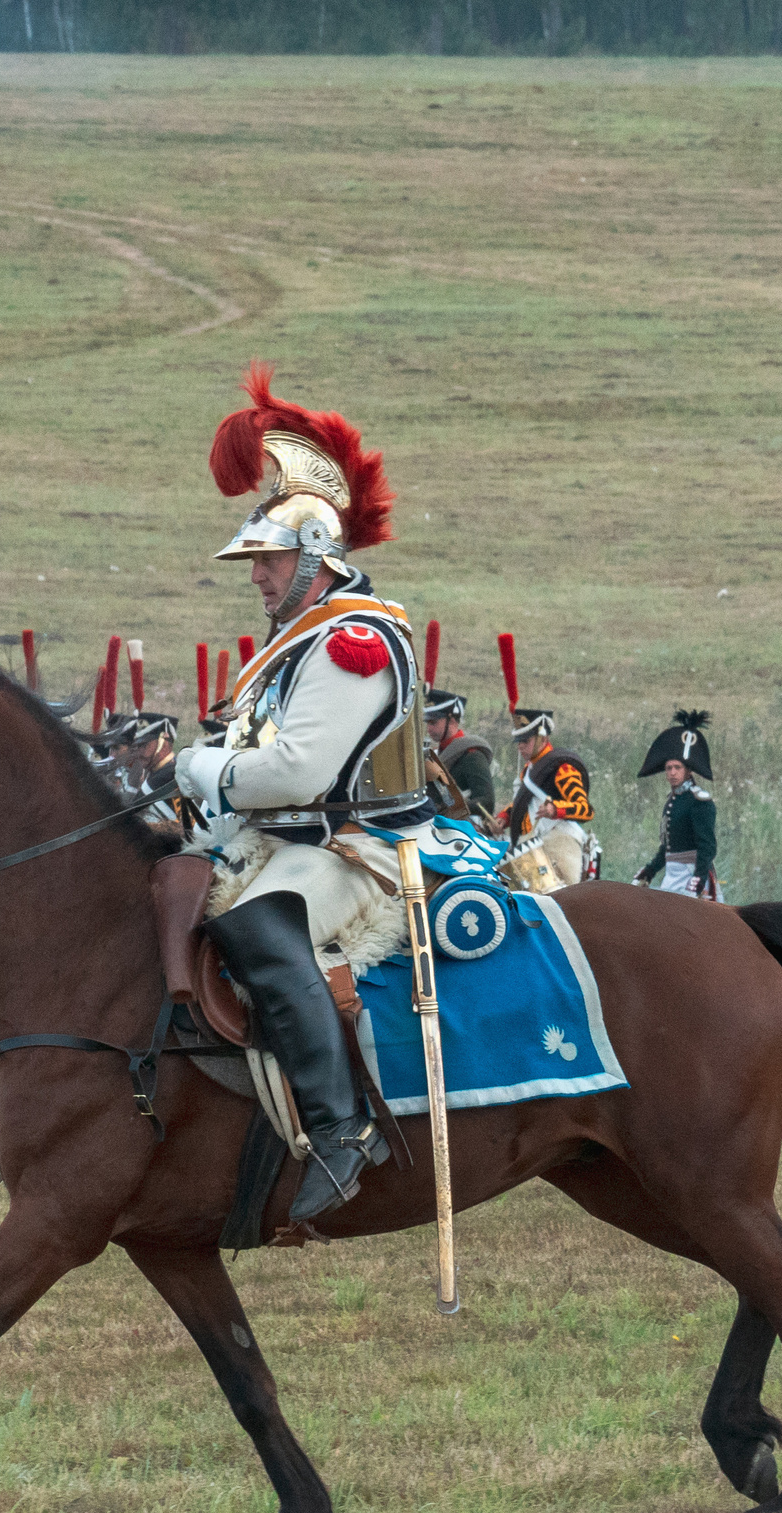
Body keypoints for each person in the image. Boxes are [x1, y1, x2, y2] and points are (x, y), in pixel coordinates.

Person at [169, 363, 416, 1218]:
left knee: (258, 924)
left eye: (268, 560)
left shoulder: (354, 642)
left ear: (314, 557)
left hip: (359, 847)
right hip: (293, 838)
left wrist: (209, 771)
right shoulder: (297, 642)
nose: (256, 577)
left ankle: (344, 1126)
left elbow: (299, 772)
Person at [502, 706, 600, 885]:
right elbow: (524, 805)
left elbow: (586, 809)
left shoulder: (562, 769)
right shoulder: (528, 771)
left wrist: (555, 809)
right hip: (534, 849)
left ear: (543, 737)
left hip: (561, 844)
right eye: (519, 741)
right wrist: (505, 817)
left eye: (526, 740)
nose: (520, 747)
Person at [634, 710, 720, 901]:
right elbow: (667, 848)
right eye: (669, 768)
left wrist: (699, 877)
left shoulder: (699, 802)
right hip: (672, 875)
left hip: (690, 874)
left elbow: (707, 847)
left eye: (677, 768)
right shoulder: (672, 801)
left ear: (688, 771)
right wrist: (650, 870)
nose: (672, 772)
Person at [423, 687, 498, 824]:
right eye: (428, 723)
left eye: (433, 723)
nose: (429, 728)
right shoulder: (434, 754)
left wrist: (448, 809)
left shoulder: (472, 755)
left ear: (451, 721)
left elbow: (487, 802)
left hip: (460, 828)